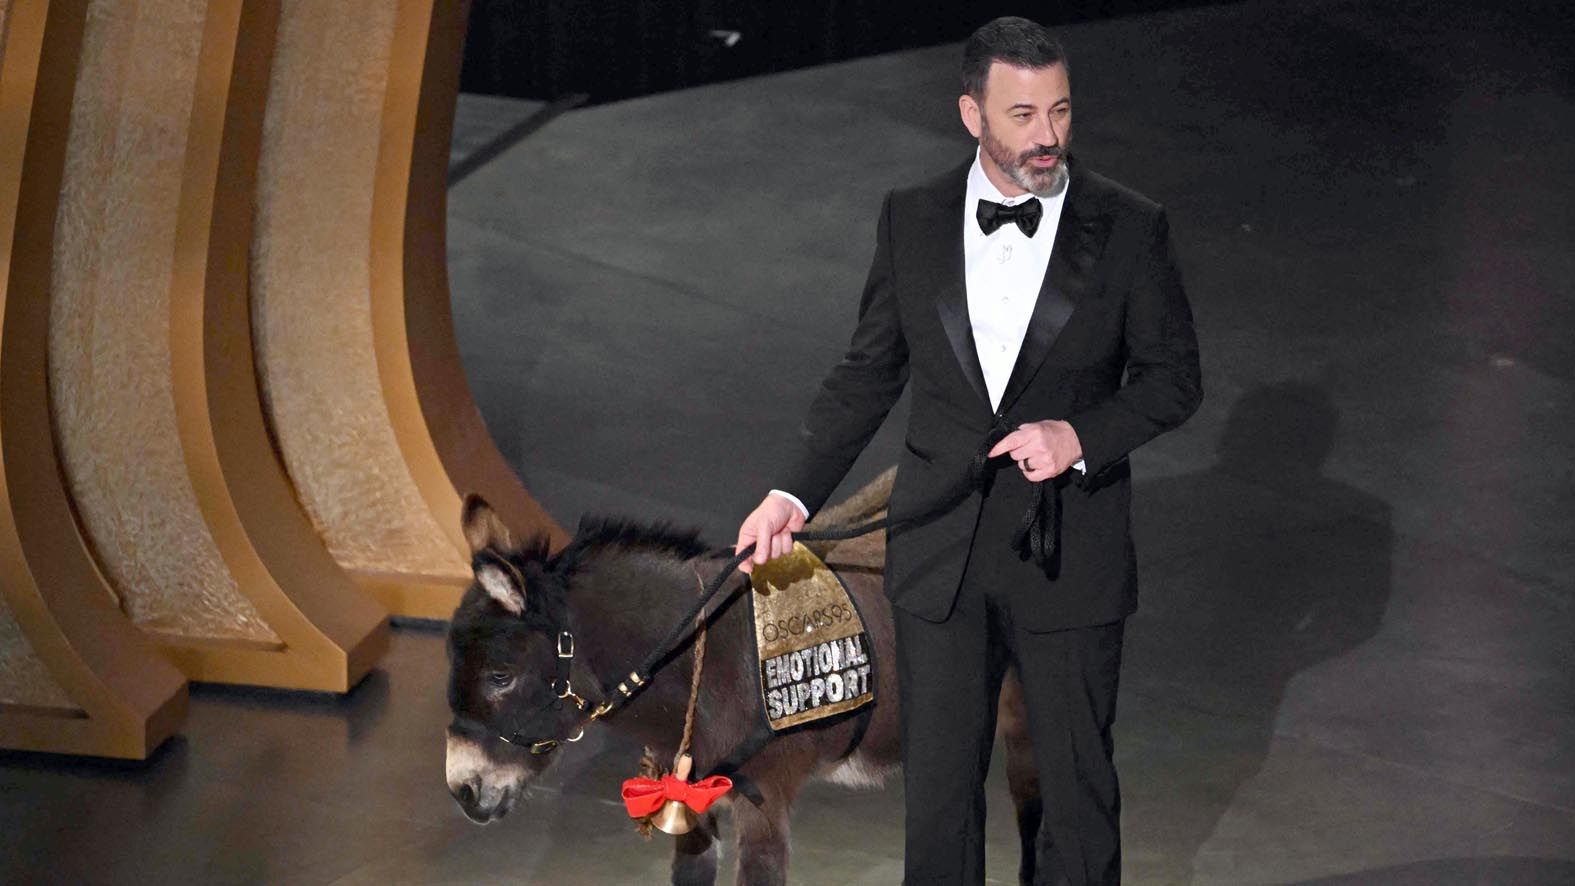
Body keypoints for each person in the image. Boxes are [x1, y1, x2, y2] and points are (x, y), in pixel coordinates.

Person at [734, 16, 1201, 886]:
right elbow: (868, 372)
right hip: (939, 547)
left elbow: (1174, 379)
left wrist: (1079, 436)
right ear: (970, 114)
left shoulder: (1130, 227)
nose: (1047, 136)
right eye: (1021, 115)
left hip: (1069, 549)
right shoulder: (911, 219)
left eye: (1059, 111)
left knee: (1074, 787)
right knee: (939, 797)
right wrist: (790, 495)